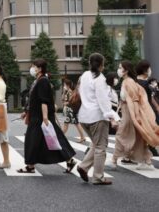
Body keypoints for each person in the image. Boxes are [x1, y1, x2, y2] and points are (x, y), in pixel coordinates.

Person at [18, 59, 76, 174]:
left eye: (34, 66)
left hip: (40, 117)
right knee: (47, 140)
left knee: (37, 140)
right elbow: (32, 99)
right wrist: (26, 111)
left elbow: (44, 101)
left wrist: (45, 118)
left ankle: (30, 166)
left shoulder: (43, 81)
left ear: (39, 68)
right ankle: (69, 160)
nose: (32, 68)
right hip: (36, 115)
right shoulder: (38, 80)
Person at [76, 53, 119, 185]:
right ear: (102, 65)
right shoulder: (100, 78)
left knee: (96, 144)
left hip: (83, 116)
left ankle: (83, 166)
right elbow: (103, 100)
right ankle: (98, 177)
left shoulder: (84, 75)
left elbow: (79, 92)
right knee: (101, 146)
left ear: (89, 63)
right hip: (97, 117)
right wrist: (112, 117)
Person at [108, 61, 159, 170]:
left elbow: (135, 99)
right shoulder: (126, 81)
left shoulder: (128, 82)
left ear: (126, 70)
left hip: (130, 115)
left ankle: (114, 160)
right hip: (129, 113)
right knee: (139, 139)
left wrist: (136, 115)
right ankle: (148, 162)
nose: (119, 69)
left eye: (120, 67)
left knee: (120, 136)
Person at [135, 60, 159, 157]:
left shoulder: (139, 82)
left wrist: (157, 107)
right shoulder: (142, 84)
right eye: (149, 68)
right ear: (145, 70)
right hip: (145, 111)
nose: (150, 70)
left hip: (146, 110)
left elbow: (150, 98)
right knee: (150, 131)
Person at [61, 79, 86, 143]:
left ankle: (59, 137)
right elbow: (62, 99)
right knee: (75, 124)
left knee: (67, 124)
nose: (64, 86)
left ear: (68, 85)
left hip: (70, 110)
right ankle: (82, 137)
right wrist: (64, 92)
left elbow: (71, 101)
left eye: (64, 85)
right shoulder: (67, 91)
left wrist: (66, 103)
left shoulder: (70, 92)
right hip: (70, 110)